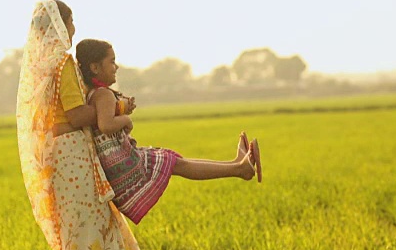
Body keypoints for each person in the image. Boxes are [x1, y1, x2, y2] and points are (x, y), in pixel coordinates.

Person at [16, 0, 152, 250]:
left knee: (78, 233)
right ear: (58, 26)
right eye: (70, 21)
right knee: (95, 229)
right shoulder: (62, 63)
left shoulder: (42, 66)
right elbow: (77, 115)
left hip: (58, 160)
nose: (74, 28)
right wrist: (117, 107)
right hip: (73, 157)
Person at [75, 38, 262, 225]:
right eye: (112, 61)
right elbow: (106, 125)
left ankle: (236, 165)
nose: (116, 67)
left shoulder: (95, 94)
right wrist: (126, 119)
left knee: (176, 161)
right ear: (95, 68)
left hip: (122, 162)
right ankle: (239, 169)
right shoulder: (103, 94)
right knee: (177, 164)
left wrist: (122, 109)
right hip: (124, 166)